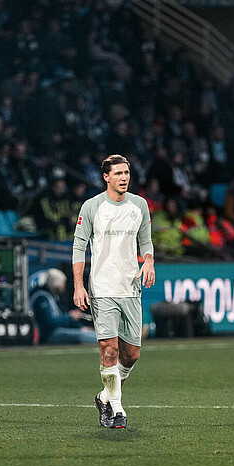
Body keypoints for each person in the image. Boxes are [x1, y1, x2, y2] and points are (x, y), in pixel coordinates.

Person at [72, 154, 155, 430]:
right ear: (106, 177)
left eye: (127, 173)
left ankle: (103, 396)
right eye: (118, 173)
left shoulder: (139, 205)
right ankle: (117, 408)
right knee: (109, 349)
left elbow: (145, 240)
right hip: (103, 288)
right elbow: (78, 248)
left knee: (131, 354)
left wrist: (149, 261)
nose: (124, 178)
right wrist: (79, 285)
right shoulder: (92, 207)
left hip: (130, 288)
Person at [30, 268, 94, 344]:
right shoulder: (42, 297)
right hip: (49, 334)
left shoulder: (55, 296)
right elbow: (50, 322)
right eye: (62, 283)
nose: (64, 286)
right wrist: (70, 316)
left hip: (58, 330)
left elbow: (63, 317)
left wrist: (81, 327)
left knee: (84, 332)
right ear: (56, 284)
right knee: (81, 336)